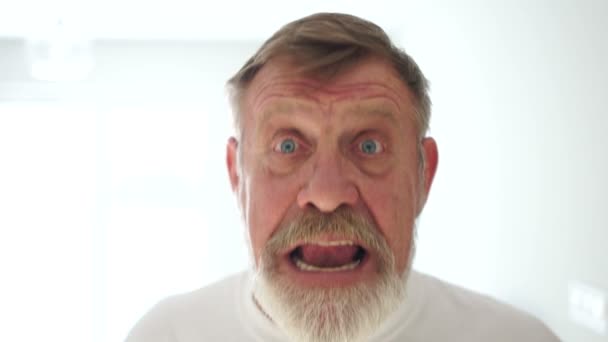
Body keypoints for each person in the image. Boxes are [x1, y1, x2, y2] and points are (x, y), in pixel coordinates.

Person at [125, 13, 560, 342]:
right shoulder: (164, 335)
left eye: (369, 146)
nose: (328, 195)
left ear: (423, 175)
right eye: (288, 147)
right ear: (237, 178)